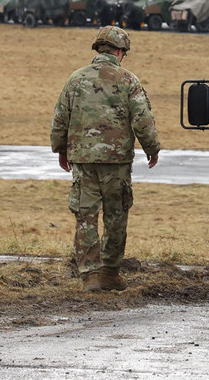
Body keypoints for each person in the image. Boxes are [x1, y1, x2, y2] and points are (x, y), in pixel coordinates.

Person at [51, 26, 160, 291]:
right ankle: (110, 273)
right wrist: (152, 148)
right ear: (120, 51)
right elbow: (142, 119)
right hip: (116, 162)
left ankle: (89, 274)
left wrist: (61, 150)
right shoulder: (128, 80)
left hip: (83, 159)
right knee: (116, 215)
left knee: (85, 215)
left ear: (98, 49)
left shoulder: (75, 79)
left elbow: (60, 118)